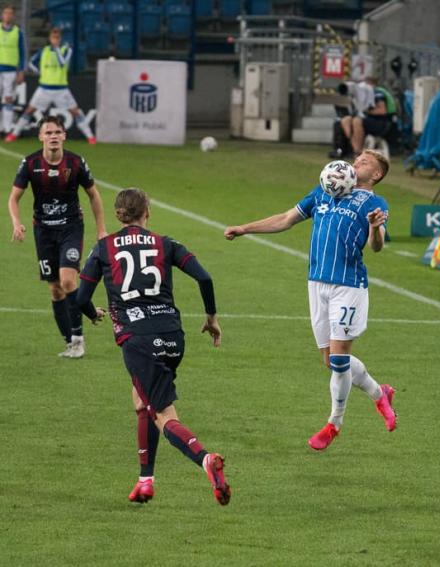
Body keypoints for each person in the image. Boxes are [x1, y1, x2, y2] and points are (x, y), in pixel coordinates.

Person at [223, 150, 397, 451]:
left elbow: (376, 245)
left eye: (365, 162)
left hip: (349, 286)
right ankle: (379, 393)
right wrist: (245, 228)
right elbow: (286, 219)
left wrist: (372, 226)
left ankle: (334, 423)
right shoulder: (324, 192)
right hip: (316, 283)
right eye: (357, 158)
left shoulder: (374, 203)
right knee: (331, 361)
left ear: (377, 174)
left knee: (340, 359)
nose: (357, 163)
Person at [75, 187, 231, 505]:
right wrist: (211, 318)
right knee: (141, 401)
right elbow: (205, 278)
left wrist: (93, 314)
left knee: (161, 413)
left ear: (119, 214)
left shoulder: (104, 247)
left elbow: (80, 298)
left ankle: (205, 459)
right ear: (148, 211)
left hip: (138, 340)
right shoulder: (166, 243)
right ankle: (145, 481)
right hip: (172, 336)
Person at [7, 115, 106, 358]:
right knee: (55, 290)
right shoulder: (30, 163)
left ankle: (79, 340)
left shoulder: (75, 162)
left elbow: (93, 195)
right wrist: (17, 223)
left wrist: (101, 229)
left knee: (68, 281)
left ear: (64, 135)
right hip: (43, 231)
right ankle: (70, 340)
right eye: (48, 132)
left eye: (57, 132)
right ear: (41, 136)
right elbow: (13, 198)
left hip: (71, 227)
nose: (53, 136)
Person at [5, 27, 96, 144]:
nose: (55, 39)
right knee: (29, 110)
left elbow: (62, 63)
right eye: (53, 37)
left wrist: (56, 48)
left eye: (57, 37)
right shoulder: (44, 51)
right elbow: (31, 63)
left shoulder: (66, 50)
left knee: (75, 111)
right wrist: (40, 72)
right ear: (50, 38)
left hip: (61, 89)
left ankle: (90, 137)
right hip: (44, 88)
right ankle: (14, 134)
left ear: (60, 38)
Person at [337, 77, 397, 157]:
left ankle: (358, 151)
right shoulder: (361, 95)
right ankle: (356, 150)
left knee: (356, 121)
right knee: (345, 120)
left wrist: (365, 111)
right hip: (368, 120)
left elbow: (382, 110)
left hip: (382, 122)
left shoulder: (377, 92)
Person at [0, 5, 25, 136]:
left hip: (10, 70)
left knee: (8, 98)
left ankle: (7, 128)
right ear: (2, 15)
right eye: (6, 13)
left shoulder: (17, 32)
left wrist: (21, 71)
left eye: (10, 13)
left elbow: (22, 52)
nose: (8, 16)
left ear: (13, 16)